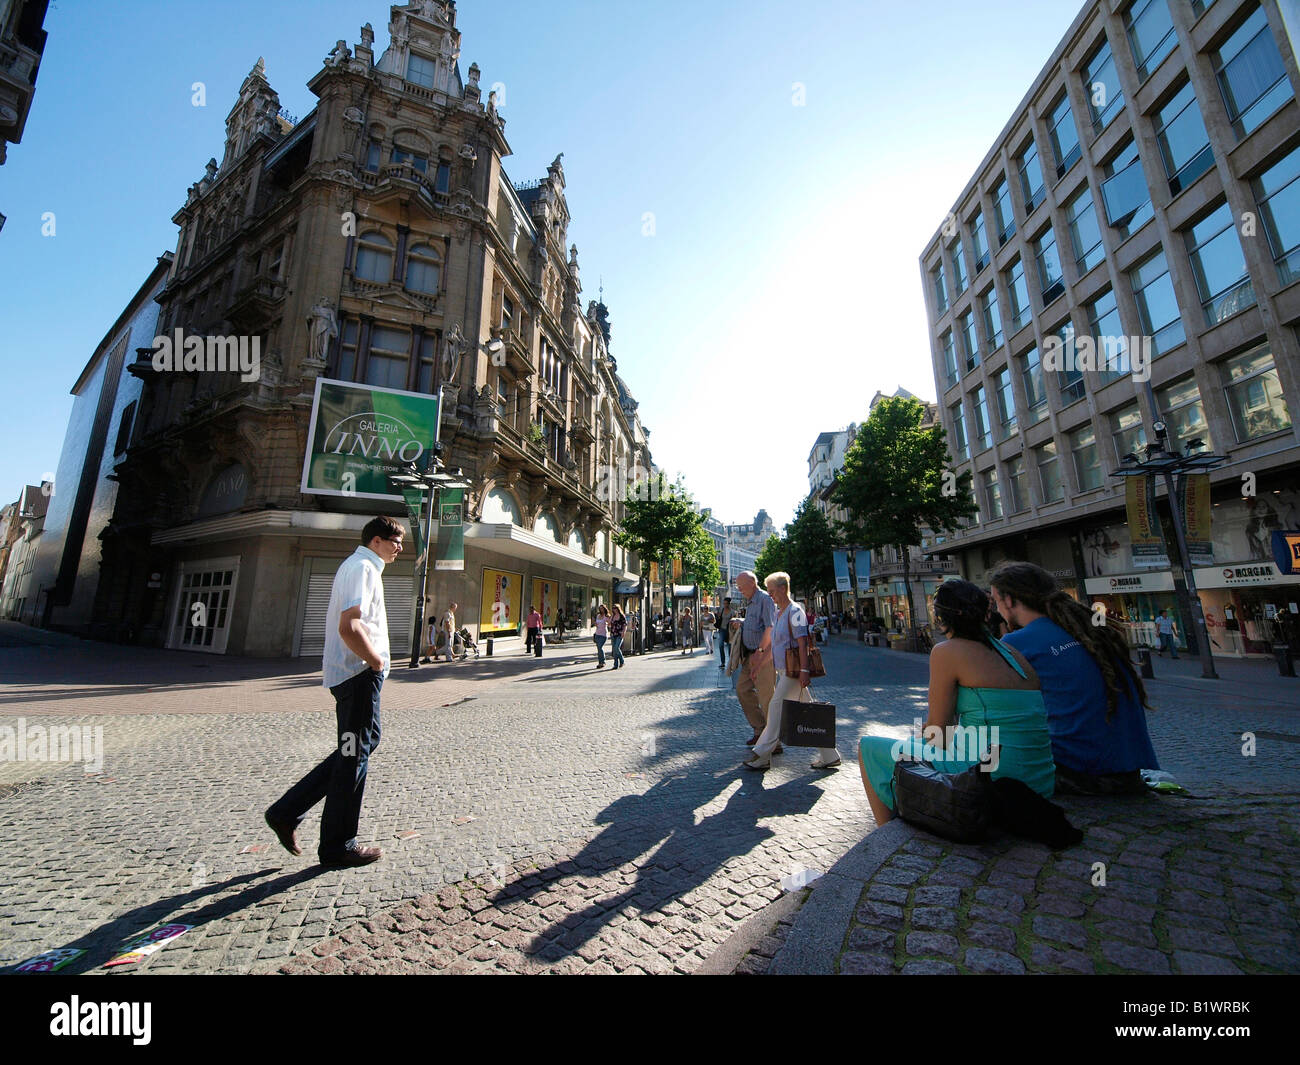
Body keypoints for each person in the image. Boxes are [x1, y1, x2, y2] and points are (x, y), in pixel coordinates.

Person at [265, 516, 403, 867]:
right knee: (354, 754)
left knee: (355, 749)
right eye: (395, 540)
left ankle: (287, 811)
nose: (399, 547)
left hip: (353, 676)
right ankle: (337, 846)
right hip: (358, 676)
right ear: (376, 540)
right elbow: (350, 625)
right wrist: (375, 663)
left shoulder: (358, 565)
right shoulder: (363, 568)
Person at [857, 579, 1055, 823]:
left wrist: (921, 740)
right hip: (1040, 780)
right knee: (914, 742)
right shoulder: (1010, 652)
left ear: (940, 617)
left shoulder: (947, 652)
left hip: (994, 779)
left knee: (869, 747)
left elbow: (937, 732)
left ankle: (885, 836)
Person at [989, 562, 1158, 796]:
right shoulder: (1093, 631)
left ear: (1008, 600)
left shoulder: (1017, 643)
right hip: (1128, 770)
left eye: (996, 601)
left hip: (1079, 772)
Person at [744, 572, 841, 771]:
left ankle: (762, 753)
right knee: (811, 713)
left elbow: (802, 642)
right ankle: (830, 755)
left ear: (782, 588)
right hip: (784, 670)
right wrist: (760, 664)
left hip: (793, 672)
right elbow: (777, 645)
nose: (770, 595)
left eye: (772, 591)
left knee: (775, 707)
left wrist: (804, 670)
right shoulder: (779, 613)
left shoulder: (795, 611)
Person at [733, 571, 777, 747]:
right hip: (750, 655)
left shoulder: (765, 600)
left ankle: (773, 740)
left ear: (752, 583)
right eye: (738, 586)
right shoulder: (750, 602)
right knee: (742, 689)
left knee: (766, 697)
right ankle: (760, 729)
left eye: (741, 586)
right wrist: (742, 623)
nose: (740, 589)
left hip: (764, 655)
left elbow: (770, 628)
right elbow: (756, 624)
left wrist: (760, 652)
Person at [717, 598, 736, 670]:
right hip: (722, 629)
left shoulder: (732, 612)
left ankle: (730, 663)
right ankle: (723, 662)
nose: (724, 605)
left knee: (730, 647)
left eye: (726, 603)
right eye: (723, 603)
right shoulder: (722, 610)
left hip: (730, 631)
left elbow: (734, 621)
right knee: (720, 645)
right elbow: (719, 618)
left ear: (729, 604)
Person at [610, 604, 627, 669]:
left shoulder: (622, 616)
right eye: (613, 608)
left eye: (615, 608)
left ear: (618, 609)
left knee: (617, 647)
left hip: (619, 634)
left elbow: (625, 624)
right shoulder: (613, 616)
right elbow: (609, 624)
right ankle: (615, 664)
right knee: (614, 650)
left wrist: (624, 632)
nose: (614, 609)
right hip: (613, 634)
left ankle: (622, 661)